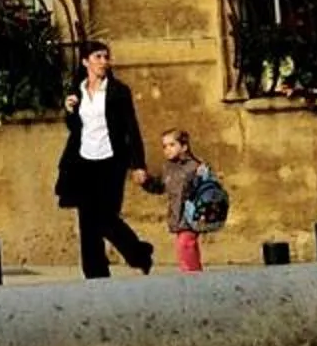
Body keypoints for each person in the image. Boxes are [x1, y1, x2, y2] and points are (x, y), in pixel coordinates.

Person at [53, 40, 153, 277]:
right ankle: (95, 274)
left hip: (111, 160)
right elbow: (75, 128)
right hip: (82, 161)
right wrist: (69, 111)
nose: (103, 62)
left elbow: (131, 128)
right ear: (85, 61)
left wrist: (138, 164)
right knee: (87, 220)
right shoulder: (77, 91)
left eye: (106, 57)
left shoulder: (118, 91)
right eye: (98, 57)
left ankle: (137, 252)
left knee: (106, 216)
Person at [157, 127, 219, 272]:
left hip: (192, 216)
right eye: (164, 146)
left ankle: (192, 278)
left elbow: (207, 190)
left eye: (172, 145)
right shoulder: (168, 168)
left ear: (184, 147)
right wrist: (146, 181)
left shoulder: (194, 167)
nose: (167, 149)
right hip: (178, 216)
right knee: (186, 247)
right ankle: (193, 274)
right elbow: (160, 187)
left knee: (185, 245)